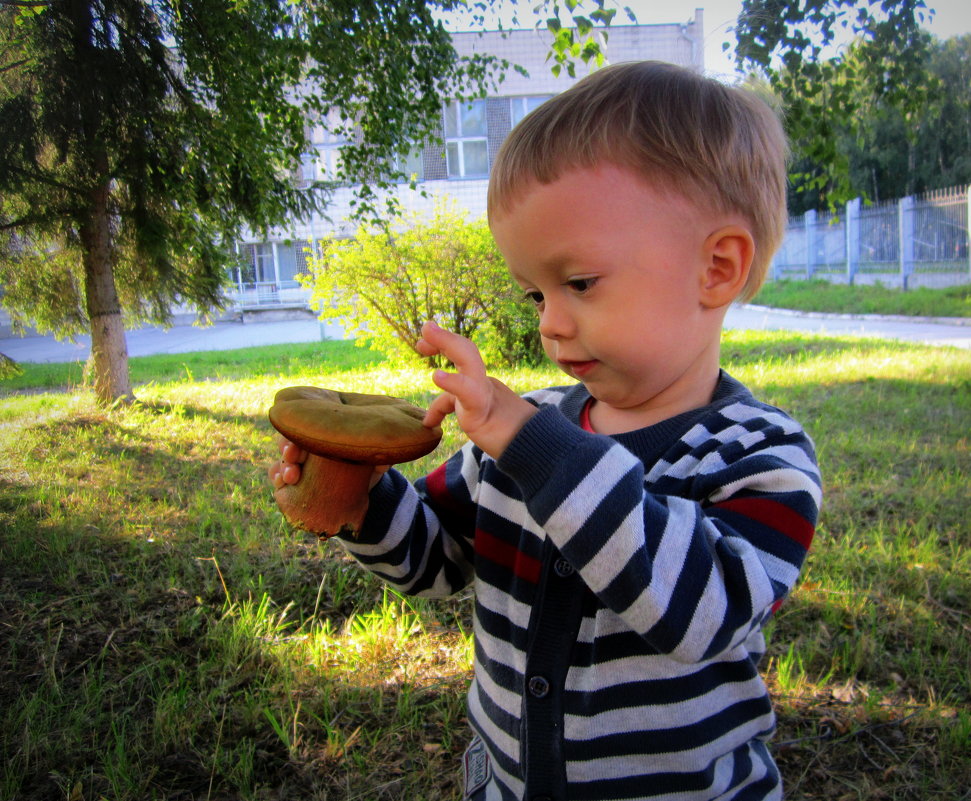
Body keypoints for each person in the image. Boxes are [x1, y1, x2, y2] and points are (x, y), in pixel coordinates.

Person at [269, 61, 821, 801]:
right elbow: (435, 555)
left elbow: (701, 613)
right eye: (535, 292)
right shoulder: (520, 437)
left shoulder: (759, 457)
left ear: (716, 268)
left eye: (580, 283)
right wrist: (361, 497)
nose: (550, 323)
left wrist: (528, 442)